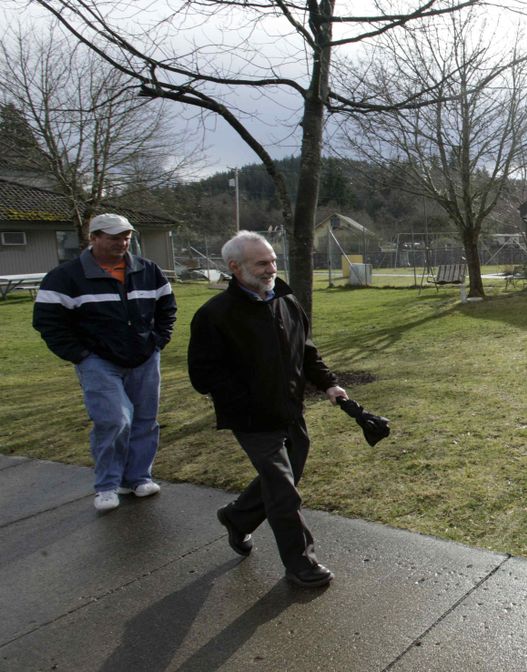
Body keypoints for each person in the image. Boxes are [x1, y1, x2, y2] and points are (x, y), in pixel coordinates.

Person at [188, 231, 347, 588]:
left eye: (273, 260)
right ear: (234, 267)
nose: (271, 268)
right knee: (282, 489)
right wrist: (246, 400)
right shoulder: (215, 315)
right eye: (262, 263)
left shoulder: (287, 302)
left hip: (290, 412)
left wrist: (329, 384)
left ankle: (237, 518)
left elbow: (306, 352)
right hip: (253, 420)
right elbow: (203, 375)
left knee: (284, 480)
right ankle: (301, 564)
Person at [32, 213, 176, 511]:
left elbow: (167, 308)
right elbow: (48, 322)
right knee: (113, 420)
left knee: (145, 420)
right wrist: (81, 355)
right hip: (97, 361)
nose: (122, 242)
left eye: (126, 237)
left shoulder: (148, 270)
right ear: (94, 238)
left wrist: (158, 341)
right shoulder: (66, 276)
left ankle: (136, 478)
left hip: (144, 357)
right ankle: (107, 485)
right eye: (113, 237)